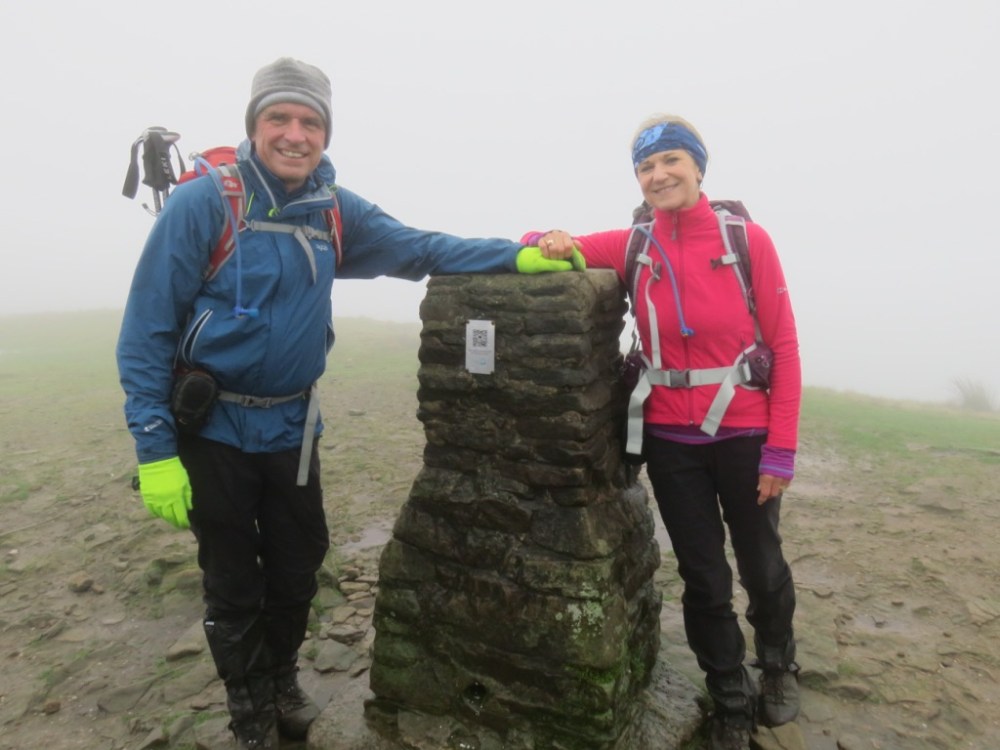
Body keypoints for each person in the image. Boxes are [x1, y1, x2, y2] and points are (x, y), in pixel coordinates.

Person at [116, 57, 578, 750]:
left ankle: (281, 683)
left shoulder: (332, 210)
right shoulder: (205, 203)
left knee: (301, 564)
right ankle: (250, 715)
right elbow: (145, 331)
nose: (295, 134)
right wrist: (155, 451)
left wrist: (515, 256)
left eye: (310, 122)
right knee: (233, 577)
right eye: (280, 118)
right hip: (212, 430)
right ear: (254, 125)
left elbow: (419, 247)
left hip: (293, 427)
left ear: (325, 133)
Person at [526, 115, 801, 750]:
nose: (659, 175)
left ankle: (780, 665)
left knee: (761, 564)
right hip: (673, 441)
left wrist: (780, 450)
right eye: (646, 167)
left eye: (671, 161)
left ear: (699, 167)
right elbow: (547, 245)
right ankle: (729, 694)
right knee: (704, 576)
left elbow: (783, 344)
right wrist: (548, 234)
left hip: (745, 434)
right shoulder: (633, 244)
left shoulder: (746, 239)